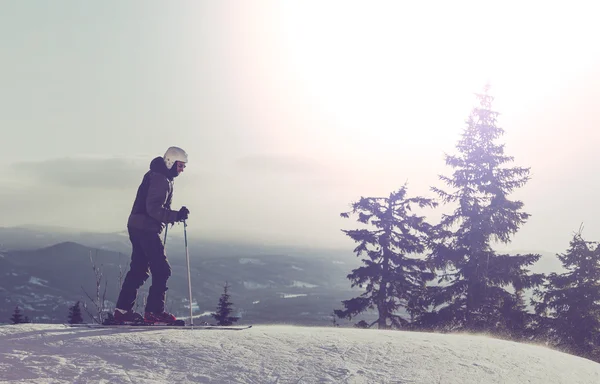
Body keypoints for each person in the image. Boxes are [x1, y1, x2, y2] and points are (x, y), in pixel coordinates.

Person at [112, 146, 190, 325]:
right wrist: (175, 215)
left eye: (183, 166)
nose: (182, 169)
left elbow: (152, 207)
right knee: (162, 270)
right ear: (170, 162)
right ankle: (154, 313)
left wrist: (172, 215)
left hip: (136, 225)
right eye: (180, 165)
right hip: (146, 228)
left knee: (139, 269)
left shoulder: (157, 175)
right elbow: (153, 209)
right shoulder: (161, 178)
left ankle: (122, 311)